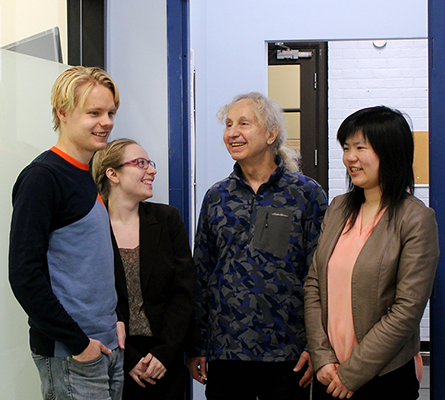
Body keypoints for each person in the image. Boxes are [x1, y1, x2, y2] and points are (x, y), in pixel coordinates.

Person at [187, 92, 328, 400]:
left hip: (288, 353)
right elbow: (201, 273)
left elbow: (320, 275)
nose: (232, 132)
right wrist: (197, 345)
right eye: (228, 124)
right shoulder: (216, 197)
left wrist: (315, 346)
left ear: (271, 133)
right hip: (226, 352)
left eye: (243, 123)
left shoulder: (306, 194)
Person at [304, 106, 439, 399]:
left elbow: (407, 310)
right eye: (346, 147)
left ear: (390, 152)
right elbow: (314, 284)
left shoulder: (415, 219)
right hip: (329, 372)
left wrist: (353, 373)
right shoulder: (339, 208)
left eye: (360, 147)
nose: (349, 157)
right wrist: (322, 357)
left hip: (383, 376)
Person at [8, 66, 125, 400]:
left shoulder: (86, 174)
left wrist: (116, 319)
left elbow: (95, 257)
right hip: (72, 355)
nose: (106, 122)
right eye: (94, 113)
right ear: (62, 112)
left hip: (104, 346)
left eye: (110, 113)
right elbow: (24, 275)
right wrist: (78, 343)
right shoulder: (42, 178)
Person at [91, 139, 196, 400]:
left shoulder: (167, 220)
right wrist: (128, 360)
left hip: (165, 359)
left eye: (150, 163)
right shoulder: (92, 226)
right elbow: (91, 295)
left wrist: (165, 353)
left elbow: (184, 292)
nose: (152, 170)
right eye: (140, 163)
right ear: (112, 174)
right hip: (113, 360)